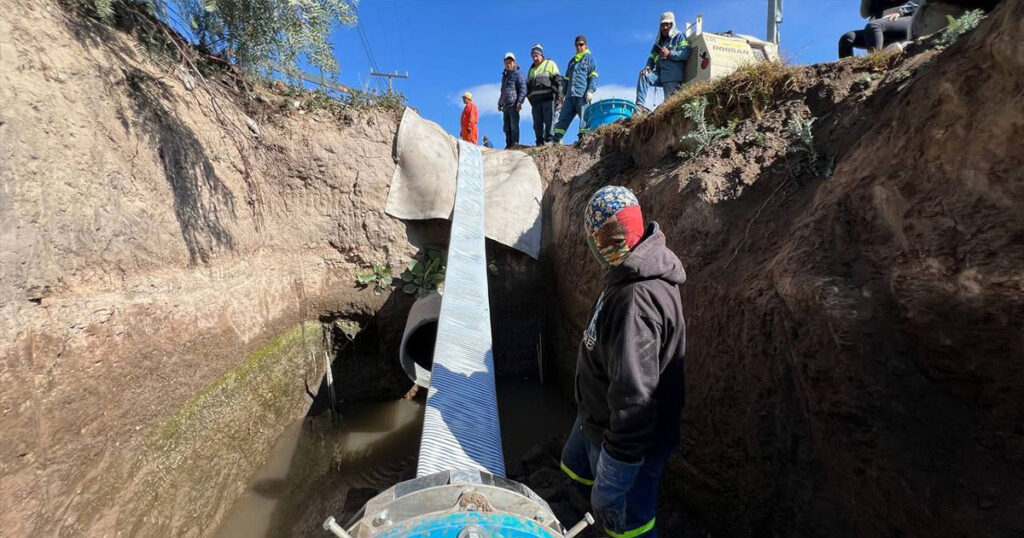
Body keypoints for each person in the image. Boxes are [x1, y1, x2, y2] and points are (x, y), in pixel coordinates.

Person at [560, 186, 686, 538]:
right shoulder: (630, 268)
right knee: (576, 472)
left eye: (598, 236)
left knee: (630, 526)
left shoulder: (636, 301)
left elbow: (635, 401)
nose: (594, 245)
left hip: (628, 448)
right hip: (597, 420)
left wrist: (613, 482)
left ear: (608, 238)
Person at [636, 12, 691, 110]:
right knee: (644, 76)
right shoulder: (658, 43)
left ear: (672, 24)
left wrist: (669, 54)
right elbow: (651, 58)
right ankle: (639, 107)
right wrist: (648, 67)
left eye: (667, 24)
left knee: (668, 106)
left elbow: (685, 53)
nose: (665, 27)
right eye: (662, 25)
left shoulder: (679, 36)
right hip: (659, 74)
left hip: (672, 76)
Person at [553, 35, 598, 144]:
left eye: (581, 44)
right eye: (576, 45)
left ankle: (584, 141)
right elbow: (566, 80)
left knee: (584, 120)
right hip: (569, 96)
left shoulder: (589, 59)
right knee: (562, 119)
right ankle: (556, 141)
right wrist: (562, 95)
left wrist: (590, 91)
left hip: (582, 95)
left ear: (585, 45)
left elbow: (593, 76)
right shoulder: (572, 62)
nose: (578, 47)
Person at [839, 0, 920, 58]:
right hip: (879, 31)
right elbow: (864, 14)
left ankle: (875, 61)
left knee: (873, 26)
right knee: (847, 38)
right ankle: (844, 73)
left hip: (907, 21)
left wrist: (902, 11)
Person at [526, 43, 562, 146]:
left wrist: (559, 97)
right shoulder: (531, 70)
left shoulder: (550, 64)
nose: (535, 58)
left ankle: (549, 140)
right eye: (533, 56)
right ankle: (539, 142)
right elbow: (528, 87)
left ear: (541, 55)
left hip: (548, 99)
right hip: (536, 102)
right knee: (537, 124)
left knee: (549, 121)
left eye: (537, 55)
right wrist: (531, 99)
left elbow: (558, 81)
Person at [498, 52, 527, 149]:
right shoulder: (504, 76)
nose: (508, 64)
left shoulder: (518, 74)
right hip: (505, 105)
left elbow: (523, 88)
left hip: (514, 104)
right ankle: (508, 145)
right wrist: (500, 103)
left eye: (510, 62)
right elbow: (502, 91)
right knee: (506, 127)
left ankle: (515, 144)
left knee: (514, 126)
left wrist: (520, 101)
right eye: (506, 62)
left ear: (514, 62)